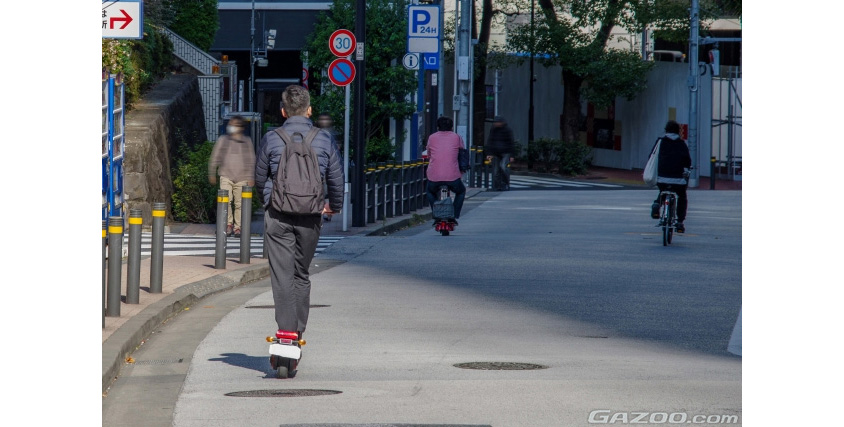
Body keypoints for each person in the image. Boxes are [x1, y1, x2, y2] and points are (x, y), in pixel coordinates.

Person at [255, 85, 344, 343]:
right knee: (300, 273)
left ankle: (285, 330)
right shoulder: (324, 139)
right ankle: (298, 331)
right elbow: (336, 179)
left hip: (278, 214)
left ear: (283, 111)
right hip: (311, 215)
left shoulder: (272, 138)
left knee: (281, 275)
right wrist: (332, 206)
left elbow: (260, 178)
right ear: (309, 110)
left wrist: (268, 201)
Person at [208, 115, 256, 238]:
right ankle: (227, 224)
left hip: (242, 177)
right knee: (226, 201)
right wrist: (212, 172)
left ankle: (238, 227)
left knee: (240, 204)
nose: (231, 127)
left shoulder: (247, 141)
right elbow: (215, 156)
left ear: (240, 127)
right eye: (230, 124)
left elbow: (251, 160)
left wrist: (251, 176)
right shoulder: (223, 140)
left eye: (234, 124)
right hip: (226, 175)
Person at [650, 120, 692, 233]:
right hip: (678, 179)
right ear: (678, 131)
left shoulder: (660, 142)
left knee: (663, 190)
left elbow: (652, 156)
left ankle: (657, 204)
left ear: (666, 130)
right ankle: (680, 222)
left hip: (662, 177)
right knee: (682, 196)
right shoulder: (681, 144)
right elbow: (687, 161)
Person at [425, 116, 466, 224]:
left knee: (430, 191)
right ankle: (454, 214)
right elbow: (462, 152)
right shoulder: (457, 137)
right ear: (452, 127)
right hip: (453, 177)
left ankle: (437, 213)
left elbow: (429, 153)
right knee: (461, 191)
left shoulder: (432, 137)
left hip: (434, 176)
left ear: (438, 127)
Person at [485, 116, 515, 191]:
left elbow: (511, 143)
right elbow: (490, 141)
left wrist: (511, 155)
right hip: (495, 152)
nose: (496, 124)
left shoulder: (507, 130)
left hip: (505, 152)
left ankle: (505, 183)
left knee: (503, 167)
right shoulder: (493, 130)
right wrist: (489, 153)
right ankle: (497, 185)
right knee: (496, 171)